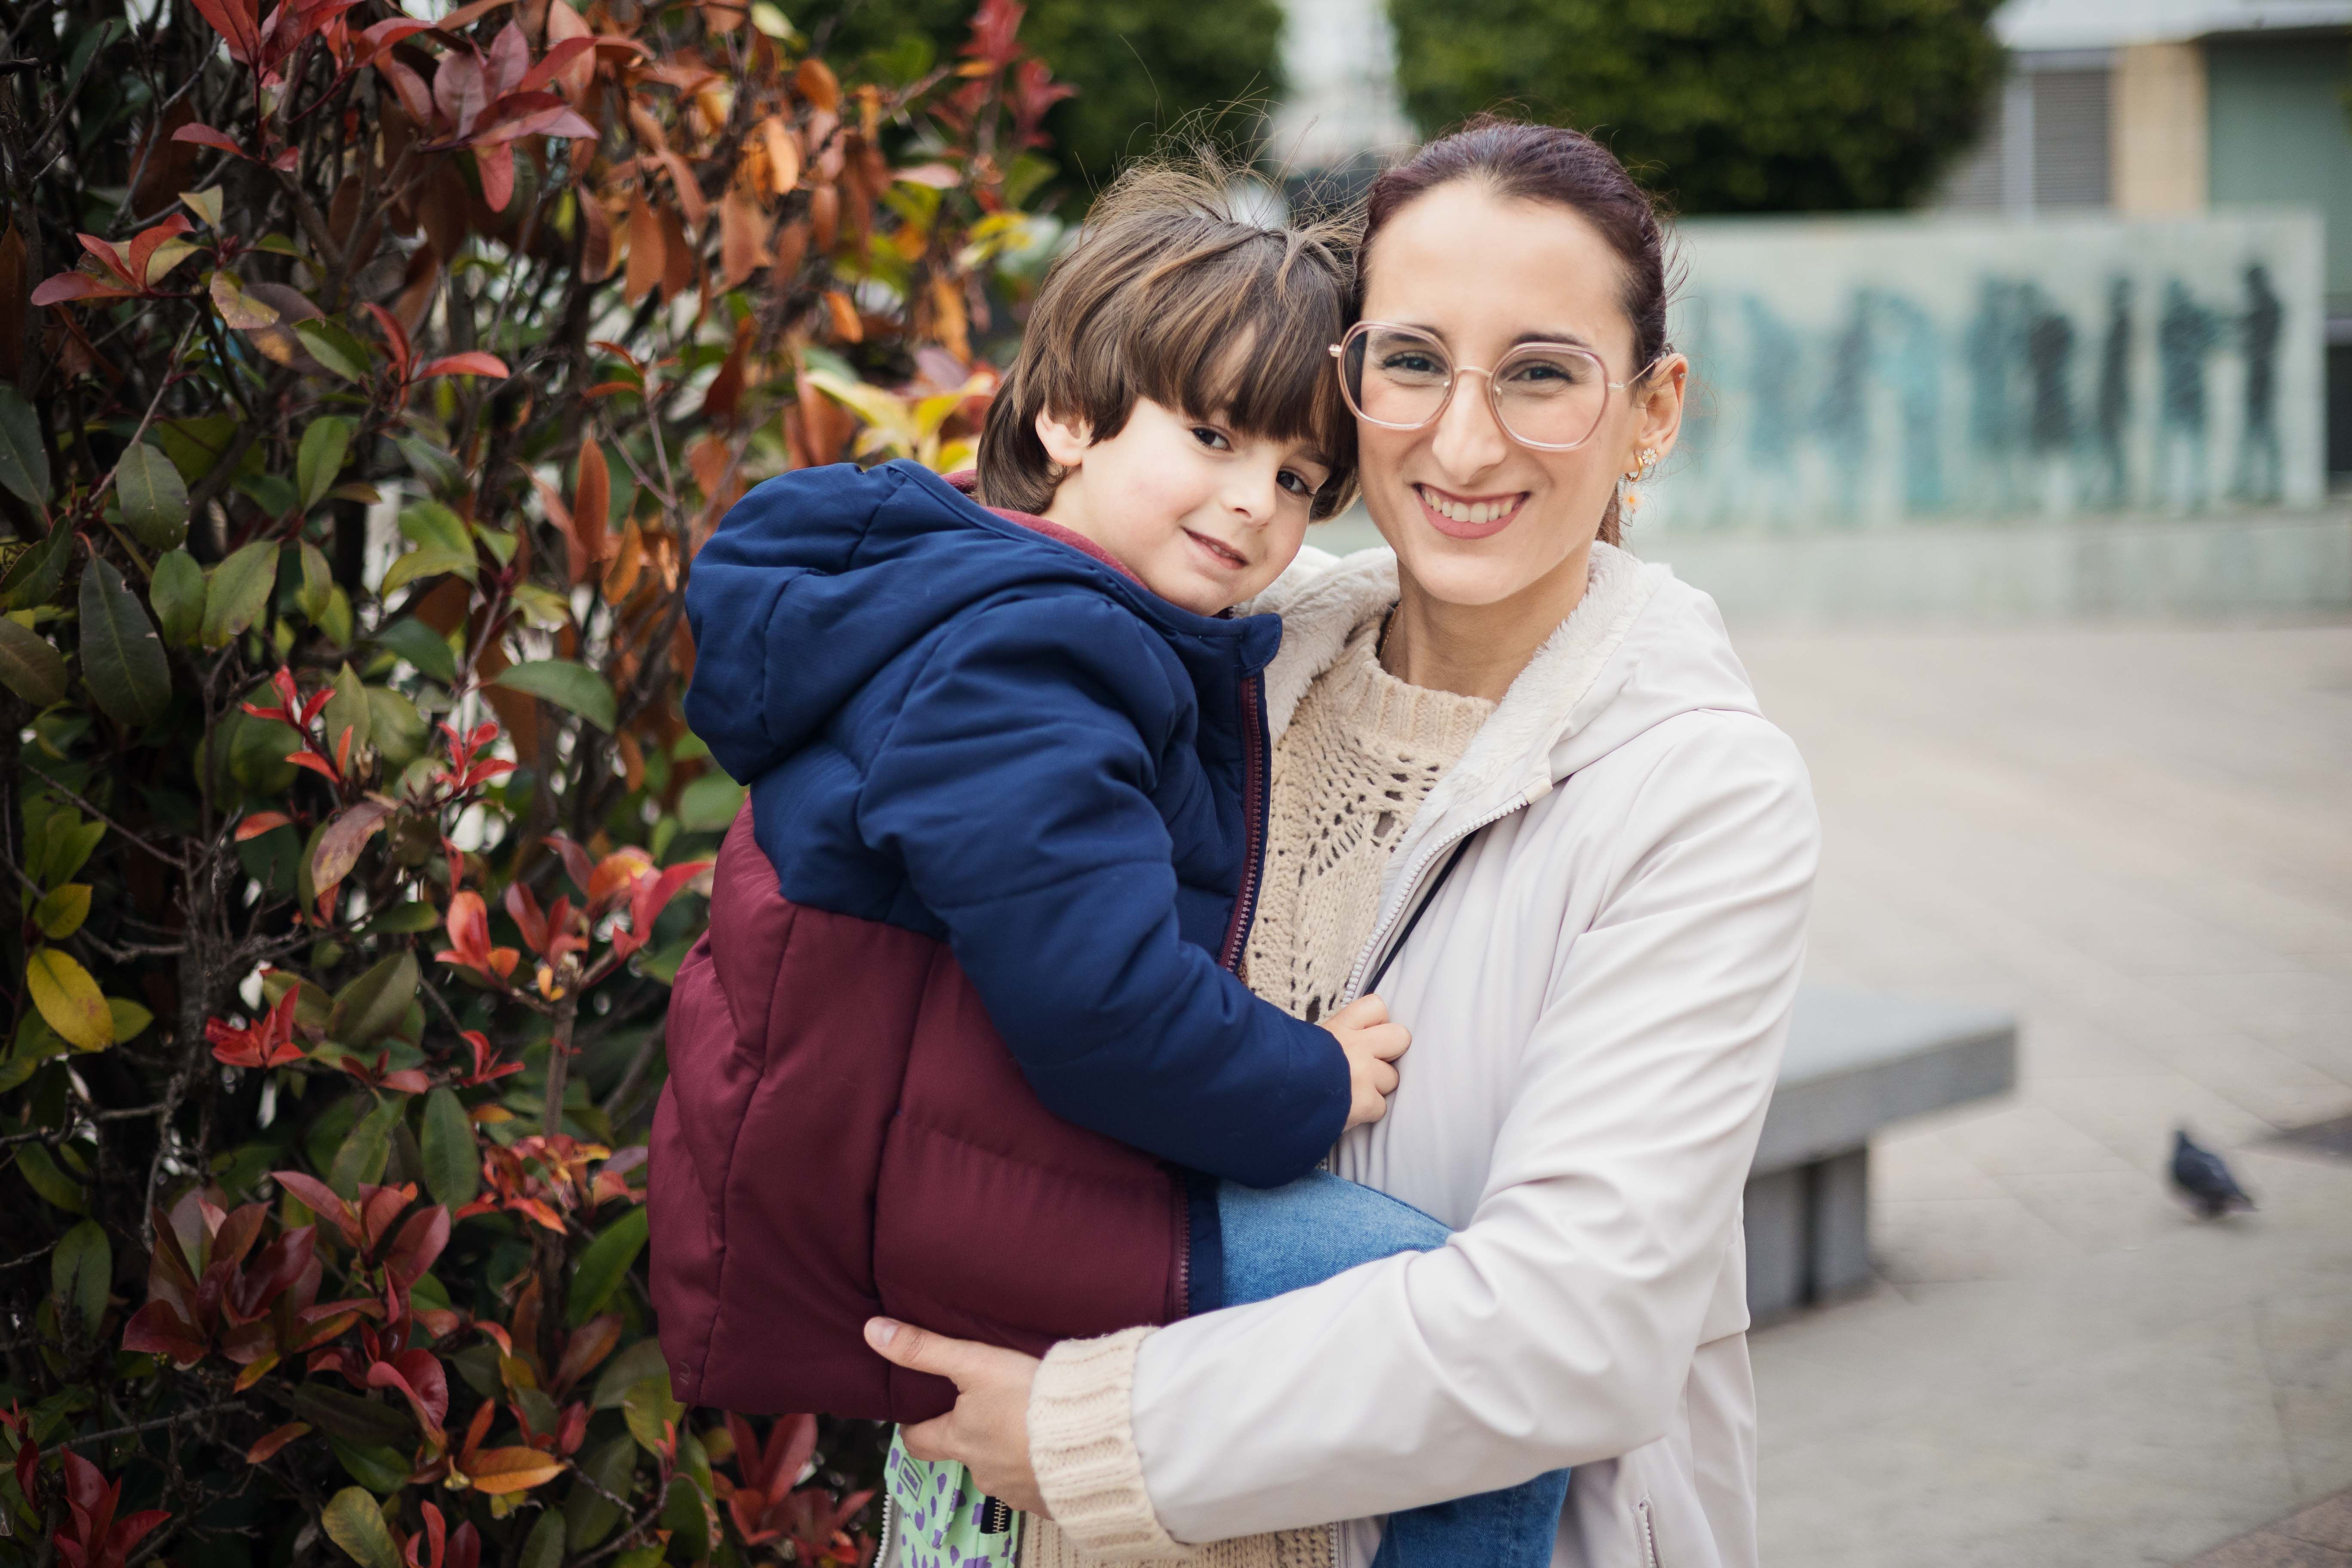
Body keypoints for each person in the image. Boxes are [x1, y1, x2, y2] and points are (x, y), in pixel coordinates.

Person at [860, 117, 1822, 1568]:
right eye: (1414, 361)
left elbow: (1576, 1326)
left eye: (1543, 373)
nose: (1465, 441)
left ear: (1654, 410)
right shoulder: (1208, 648)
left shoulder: (1698, 792)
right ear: (1349, 376)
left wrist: (1096, 1429)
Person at [652, 166, 1569, 1568]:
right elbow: (1103, 1005)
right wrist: (1310, 1079)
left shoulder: (1003, 606)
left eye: (1296, 479)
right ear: (1069, 418)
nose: (1254, 503)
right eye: (1212, 435)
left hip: (939, 1167)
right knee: (1480, 1363)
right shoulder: (1034, 658)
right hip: (944, 1208)